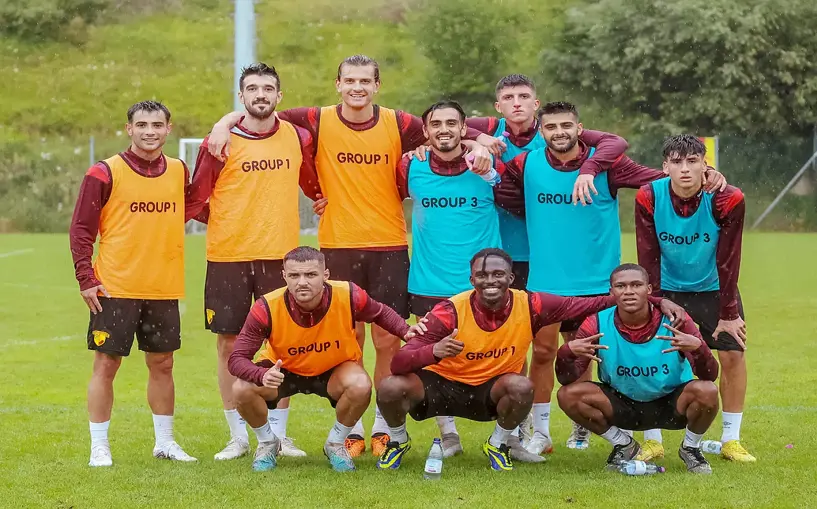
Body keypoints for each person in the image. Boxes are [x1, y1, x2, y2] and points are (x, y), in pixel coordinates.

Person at [208, 55, 493, 457]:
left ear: (377, 85)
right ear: (338, 84)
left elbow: (445, 125)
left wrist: (477, 141)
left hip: (389, 244)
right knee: (349, 338)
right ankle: (352, 430)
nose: (357, 87)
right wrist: (223, 123)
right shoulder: (317, 119)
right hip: (338, 244)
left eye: (365, 81)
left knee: (387, 338)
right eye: (350, 80)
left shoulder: (398, 122)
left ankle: (384, 427)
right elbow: (261, 113)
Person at [497, 101, 727, 455]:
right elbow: (496, 186)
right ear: (541, 133)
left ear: (580, 128)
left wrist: (705, 175)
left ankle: (583, 427)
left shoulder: (607, 165)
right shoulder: (525, 163)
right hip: (547, 280)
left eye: (566, 126)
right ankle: (540, 433)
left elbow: (659, 179)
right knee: (543, 353)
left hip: (599, 283)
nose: (559, 132)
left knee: (591, 352)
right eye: (551, 127)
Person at [375, 249, 687, 471]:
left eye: (498, 274)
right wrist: (433, 351)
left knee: (523, 386)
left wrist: (654, 300)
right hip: (444, 388)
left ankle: (498, 444)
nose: (490, 281)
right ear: (471, 279)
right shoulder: (449, 311)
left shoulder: (532, 304)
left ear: (511, 277)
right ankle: (398, 441)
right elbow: (399, 363)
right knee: (390, 387)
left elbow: (591, 303)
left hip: (491, 392)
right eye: (482, 275)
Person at [185, 63, 322, 460]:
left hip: (280, 258)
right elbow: (196, 199)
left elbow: (312, 184)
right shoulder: (219, 143)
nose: (260, 94)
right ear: (241, 96)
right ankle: (238, 437)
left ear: (279, 96)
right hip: (228, 256)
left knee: (281, 343)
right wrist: (226, 220)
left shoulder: (298, 136)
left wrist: (322, 198)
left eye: (267, 88)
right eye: (252, 88)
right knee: (229, 344)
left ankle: (278, 435)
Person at [69, 101, 196, 466]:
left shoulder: (178, 170)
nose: (149, 131)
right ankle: (99, 446)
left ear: (168, 128)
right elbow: (81, 229)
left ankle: (165, 442)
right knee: (106, 364)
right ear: (129, 129)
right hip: (115, 287)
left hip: (163, 287)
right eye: (142, 125)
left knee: (163, 364)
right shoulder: (104, 172)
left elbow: (194, 207)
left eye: (157, 125)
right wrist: (86, 278)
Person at [228, 246, 414, 472]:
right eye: (294, 275)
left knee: (361, 385)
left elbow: (381, 313)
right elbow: (237, 359)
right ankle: (268, 443)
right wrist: (261, 374)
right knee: (241, 389)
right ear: (284, 276)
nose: (302, 282)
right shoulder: (266, 306)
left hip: (333, 370)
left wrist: (406, 331)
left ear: (325, 275)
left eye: (310, 274)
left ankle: (335, 444)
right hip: (283, 372)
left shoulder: (348, 294)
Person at [635, 135, 753, 462]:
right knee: (653, 357)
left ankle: (731, 440)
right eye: (676, 162)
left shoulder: (727, 198)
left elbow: (729, 258)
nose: (684, 169)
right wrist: (655, 301)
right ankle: (652, 440)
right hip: (668, 291)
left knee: (733, 355)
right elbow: (648, 255)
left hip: (715, 289)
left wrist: (729, 312)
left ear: (705, 164)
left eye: (692, 161)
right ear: (665, 167)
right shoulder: (648, 196)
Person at [556, 264, 720, 474]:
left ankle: (691, 448)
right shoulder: (596, 323)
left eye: (636, 285)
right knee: (568, 395)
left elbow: (710, 375)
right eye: (621, 286)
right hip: (622, 405)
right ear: (611, 292)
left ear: (649, 289)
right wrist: (567, 352)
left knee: (707, 391)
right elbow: (567, 379)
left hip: (671, 405)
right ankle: (624, 444)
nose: (629, 291)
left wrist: (699, 349)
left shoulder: (676, 320)